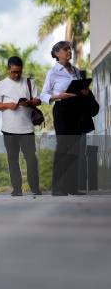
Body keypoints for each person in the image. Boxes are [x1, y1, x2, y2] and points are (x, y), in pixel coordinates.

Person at [40, 41, 98, 196]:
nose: (69, 51)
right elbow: (43, 94)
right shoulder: (53, 72)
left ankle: (71, 187)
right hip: (62, 110)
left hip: (77, 112)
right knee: (63, 148)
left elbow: (79, 89)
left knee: (74, 150)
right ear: (57, 53)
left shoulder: (76, 71)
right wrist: (57, 96)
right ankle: (58, 188)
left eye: (69, 49)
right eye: (65, 49)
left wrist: (84, 91)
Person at [0, 56, 42, 196]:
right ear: (8, 70)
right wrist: (8, 105)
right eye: (13, 72)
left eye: (19, 71)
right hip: (8, 130)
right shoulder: (1, 85)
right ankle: (17, 189)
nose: (16, 74)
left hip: (27, 129)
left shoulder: (30, 82)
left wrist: (29, 103)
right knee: (12, 160)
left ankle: (35, 188)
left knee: (31, 159)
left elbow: (38, 101)